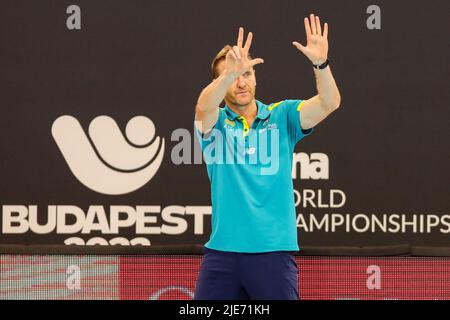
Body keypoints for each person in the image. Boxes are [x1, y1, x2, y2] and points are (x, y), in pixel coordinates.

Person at [193, 14, 341, 300]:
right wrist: (228, 74)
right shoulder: (215, 124)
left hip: (273, 255)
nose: (241, 82)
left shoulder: (282, 115)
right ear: (222, 84)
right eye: (234, 77)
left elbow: (329, 102)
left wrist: (320, 64)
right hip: (221, 255)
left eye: (246, 74)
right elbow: (203, 105)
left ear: (256, 76)